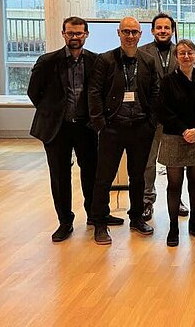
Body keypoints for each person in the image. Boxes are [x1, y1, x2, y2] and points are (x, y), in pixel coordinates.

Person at [28, 16, 123, 242]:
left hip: (86, 127)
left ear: (86, 35)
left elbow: (100, 93)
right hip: (57, 128)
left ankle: (94, 214)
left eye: (79, 33)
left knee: (92, 172)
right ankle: (65, 221)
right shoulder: (47, 61)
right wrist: (53, 113)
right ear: (63, 34)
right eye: (70, 33)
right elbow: (34, 93)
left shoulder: (96, 61)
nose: (75, 37)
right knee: (60, 176)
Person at [89, 17, 160, 245]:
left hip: (141, 127)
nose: (130, 36)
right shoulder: (106, 60)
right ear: (118, 33)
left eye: (135, 32)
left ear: (141, 35)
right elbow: (94, 93)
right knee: (104, 177)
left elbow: (156, 92)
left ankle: (136, 217)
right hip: (113, 128)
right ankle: (100, 222)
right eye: (126, 32)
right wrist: (100, 124)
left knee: (138, 177)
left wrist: (151, 122)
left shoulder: (147, 61)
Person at [157, 39, 195, 247]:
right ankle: (173, 226)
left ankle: (194, 220)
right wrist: (184, 130)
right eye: (182, 53)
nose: (186, 56)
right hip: (174, 137)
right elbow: (163, 111)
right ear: (176, 57)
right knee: (174, 184)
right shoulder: (167, 81)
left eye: (190, 52)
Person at [138, 12, 182, 221]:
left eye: (167, 28)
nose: (163, 31)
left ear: (173, 31)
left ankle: (178, 198)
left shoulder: (182, 52)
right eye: (159, 28)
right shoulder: (141, 52)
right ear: (152, 30)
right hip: (151, 117)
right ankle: (147, 201)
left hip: (176, 118)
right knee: (148, 161)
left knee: (177, 161)